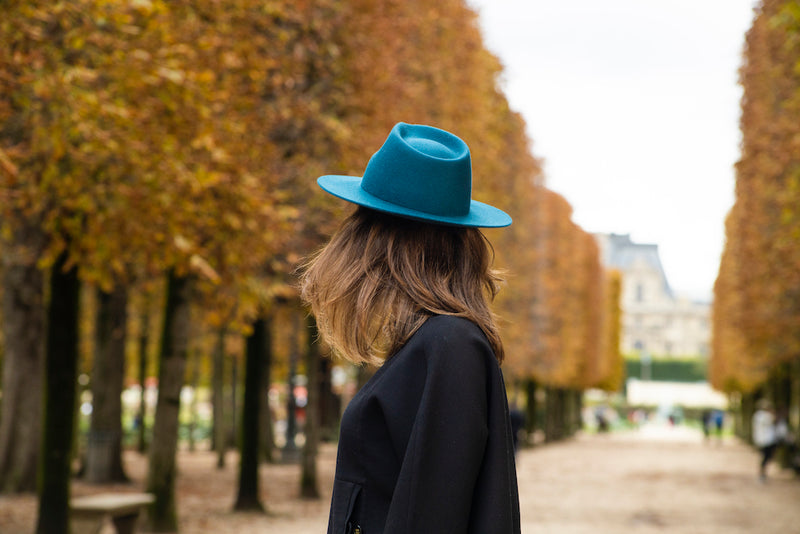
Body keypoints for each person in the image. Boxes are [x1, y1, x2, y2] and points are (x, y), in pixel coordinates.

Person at [299, 122, 520, 534]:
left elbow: (432, 515)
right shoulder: (437, 343)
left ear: (385, 237)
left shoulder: (449, 346)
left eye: (361, 217)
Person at [751, 398, 777, 482]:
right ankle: (762, 474)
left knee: (765, 457)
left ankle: (762, 473)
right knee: (766, 457)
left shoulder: (757, 415)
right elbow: (773, 420)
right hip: (767, 440)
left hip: (762, 439)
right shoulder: (765, 415)